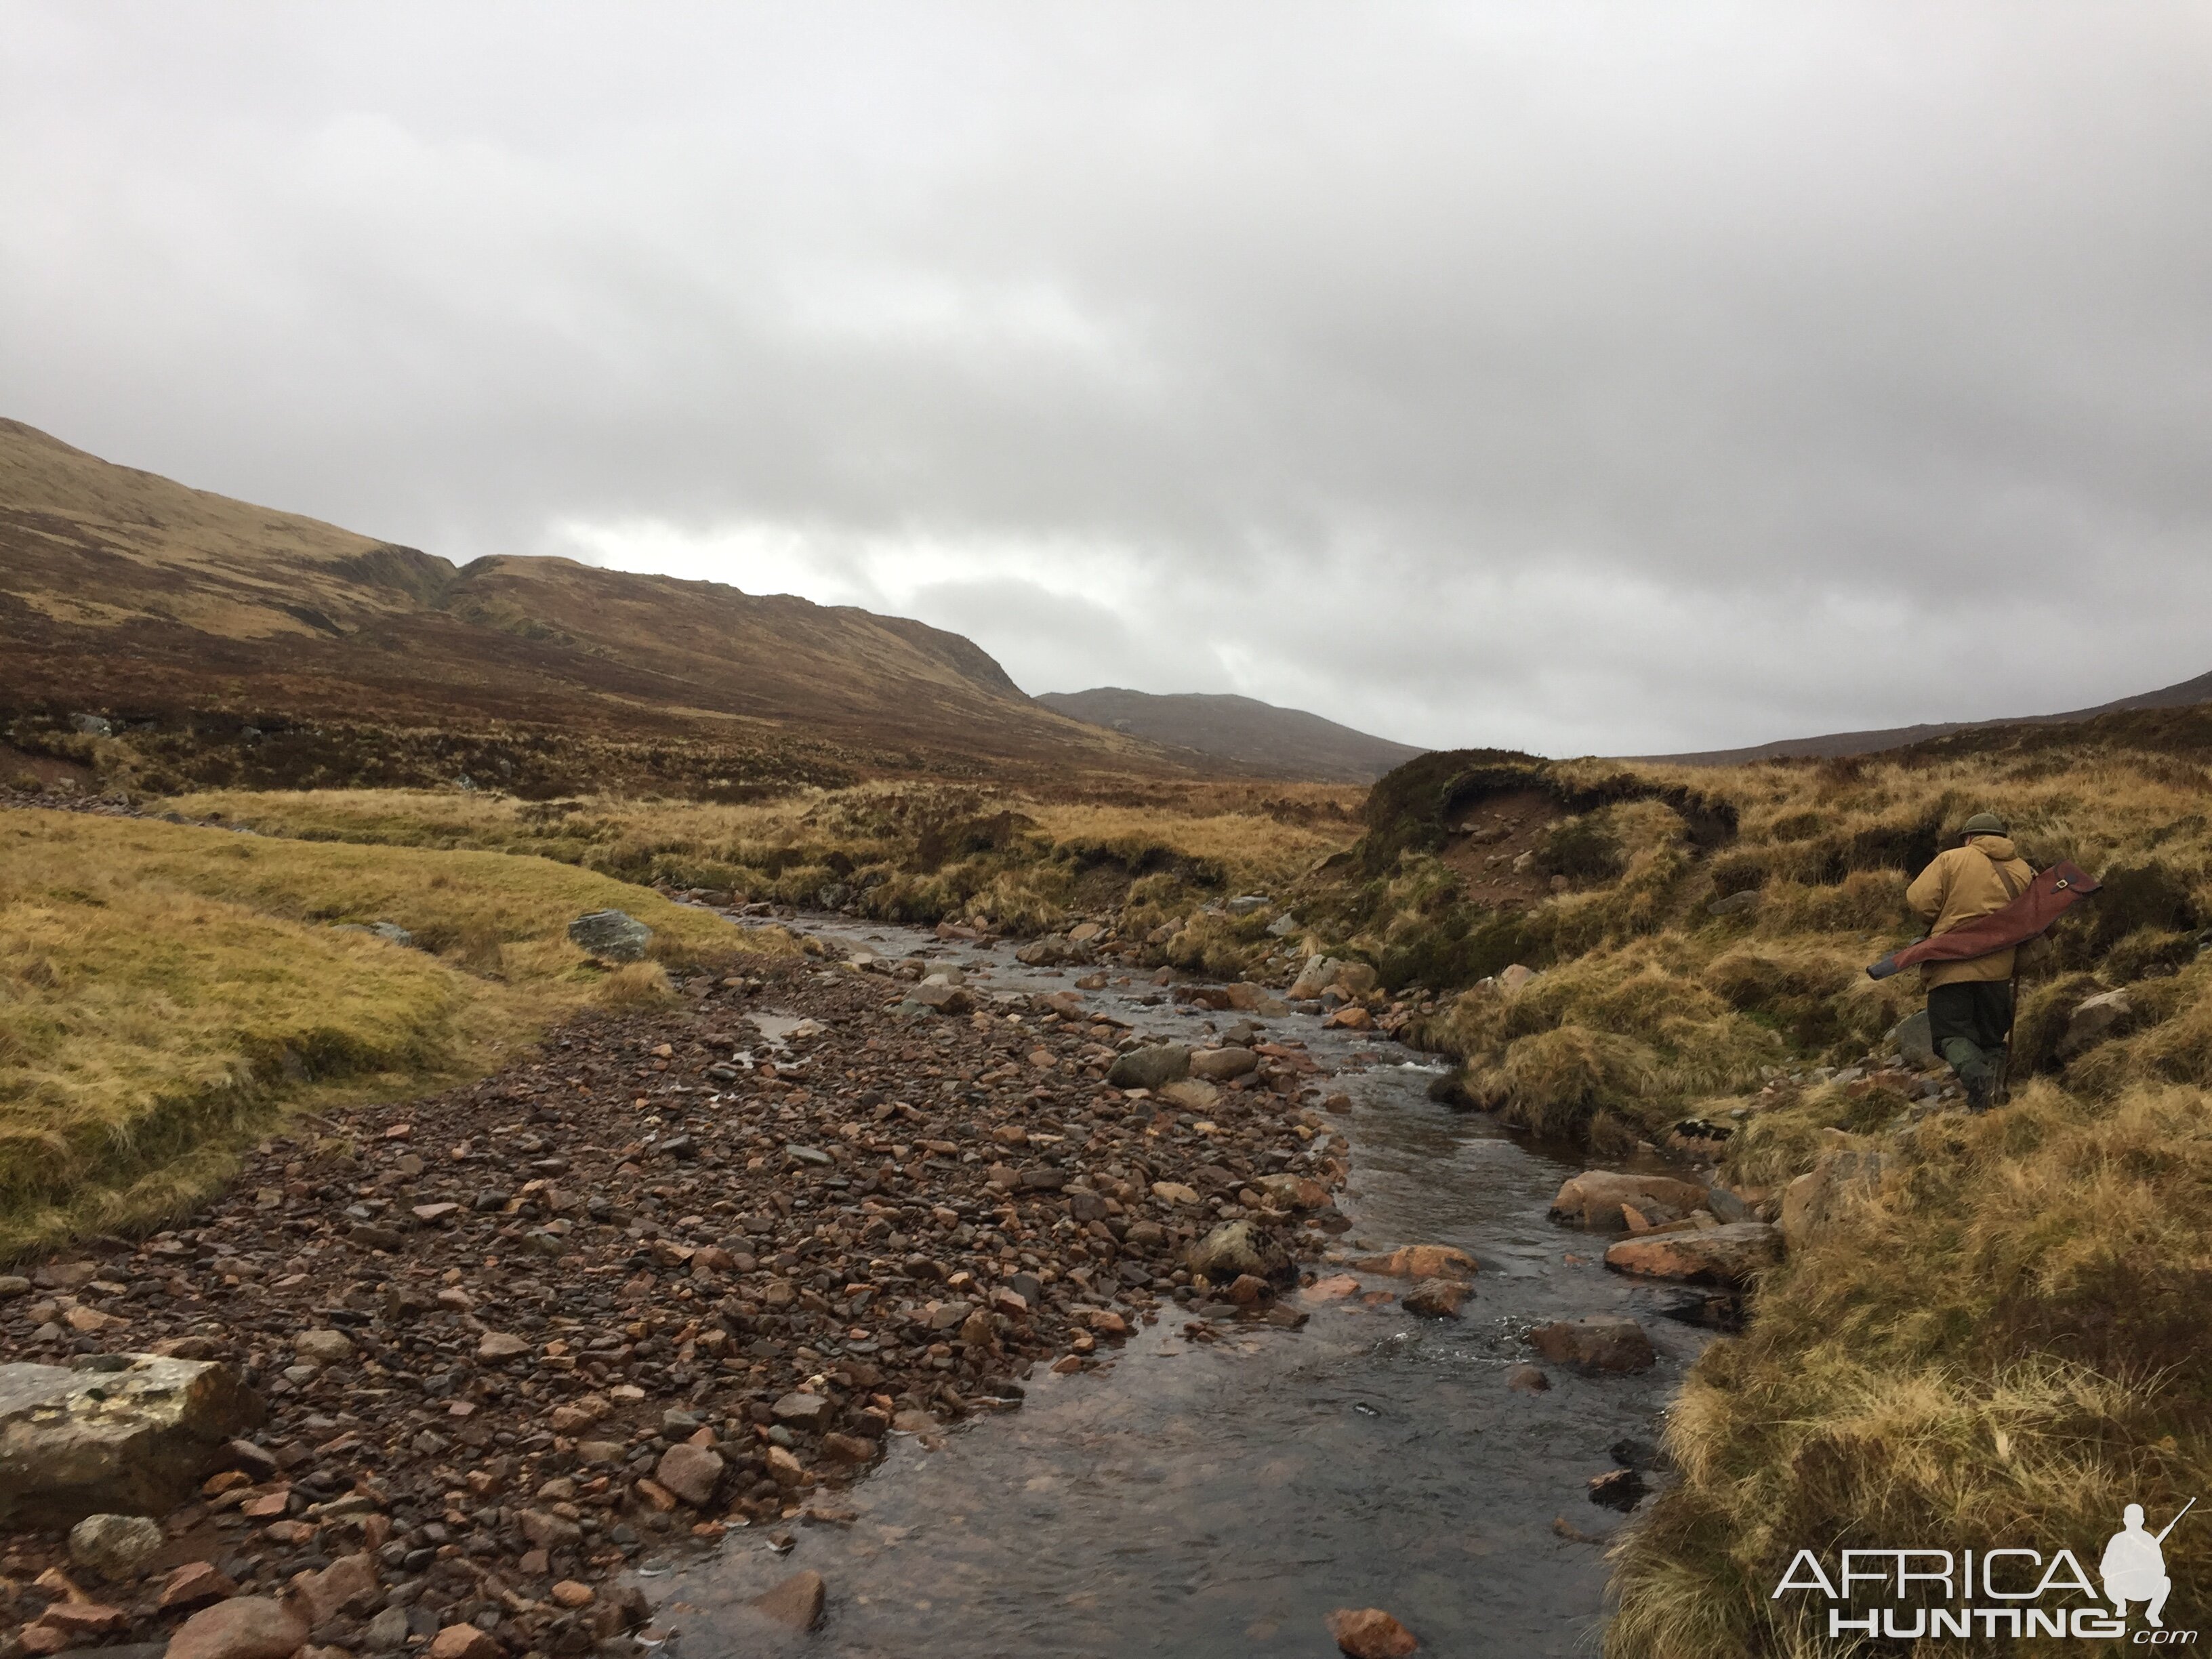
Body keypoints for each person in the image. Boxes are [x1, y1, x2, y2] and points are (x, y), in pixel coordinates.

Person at [1905, 811, 2034, 1111]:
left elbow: (1920, 900)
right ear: (2002, 838)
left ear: (1969, 837)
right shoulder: (2024, 870)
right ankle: (1993, 1102)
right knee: (1991, 1038)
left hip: (1952, 964)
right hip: (1999, 969)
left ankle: (1981, 1082)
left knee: (1951, 1034)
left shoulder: (1952, 859)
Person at [2101, 1503, 2172, 1628]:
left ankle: (2153, 1613)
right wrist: (2120, 1569)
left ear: (2142, 1521)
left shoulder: (2149, 1541)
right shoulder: (2117, 1540)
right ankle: (2120, 1604)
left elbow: (2161, 1570)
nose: (2134, 1523)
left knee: (2166, 1582)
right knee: (2109, 1581)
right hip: (2121, 1588)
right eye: (2132, 1520)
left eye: (2136, 1520)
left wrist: (2146, 1563)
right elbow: (2105, 1569)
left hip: (2143, 1588)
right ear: (2125, 1521)